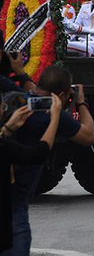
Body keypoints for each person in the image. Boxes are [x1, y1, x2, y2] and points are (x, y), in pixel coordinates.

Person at [4, 66, 94, 255]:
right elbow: (89, 136)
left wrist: (21, 72)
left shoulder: (18, 102)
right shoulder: (51, 113)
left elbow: (31, 89)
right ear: (62, 95)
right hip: (15, 205)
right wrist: (80, 102)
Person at [0, 94, 61, 253]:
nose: (4, 111)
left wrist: (7, 128)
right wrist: (55, 119)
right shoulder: (5, 146)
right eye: (3, 107)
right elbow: (37, 154)